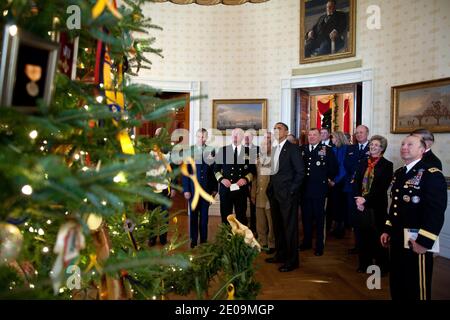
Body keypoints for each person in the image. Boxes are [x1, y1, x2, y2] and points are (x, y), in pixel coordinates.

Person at [380, 134, 446, 300]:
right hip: (397, 238)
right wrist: (388, 229)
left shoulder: (431, 174)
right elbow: (394, 206)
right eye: (403, 144)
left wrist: (424, 242)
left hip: (417, 240)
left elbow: (435, 212)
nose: (404, 147)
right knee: (398, 282)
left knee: (417, 287)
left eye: (410, 144)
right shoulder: (400, 173)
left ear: (422, 150)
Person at [266, 122, 304, 272]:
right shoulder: (274, 149)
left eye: (279, 128)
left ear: (287, 132)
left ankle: (292, 261)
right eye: (274, 128)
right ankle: (280, 254)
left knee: (289, 228)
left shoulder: (293, 148)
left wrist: (291, 191)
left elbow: (300, 172)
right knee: (278, 227)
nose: (276, 130)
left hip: (287, 196)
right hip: (274, 194)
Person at [354, 135, 393, 274]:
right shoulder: (363, 162)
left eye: (376, 145)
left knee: (378, 236)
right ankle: (364, 264)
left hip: (377, 206)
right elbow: (356, 181)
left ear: (382, 149)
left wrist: (366, 200)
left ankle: (382, 266)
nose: (373, 147)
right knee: (363, 236)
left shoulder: (387, 165)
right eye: (371, 144)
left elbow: (381, 187)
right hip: (361, 205)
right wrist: (358, 199)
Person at [299, 128, 338, 256]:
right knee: (306, 218)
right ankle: (307, 242)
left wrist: (326, 178)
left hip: (319, 191)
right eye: (309, 135)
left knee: (320, 219)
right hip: (304, 190)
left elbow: (334, 168)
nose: (311, 137)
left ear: (320, 137)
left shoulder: (326, 150)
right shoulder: (302, 150)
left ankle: (319, 245)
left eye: (314, 135)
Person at [182, 128, 218, 248]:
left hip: (206, 190)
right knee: (193, 217)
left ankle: (203, 240)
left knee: (204, 218)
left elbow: (214, 171)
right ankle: (193, 240)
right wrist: (186, 189)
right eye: (199, 136)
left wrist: (214, 189)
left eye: (203, 137)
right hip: (193, 191)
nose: (201, 139)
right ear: (196, 137)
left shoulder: (211, 150)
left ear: (206, 138)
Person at [214, 128, 256, 225]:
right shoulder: (223, 150)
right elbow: (216, 169)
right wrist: (222, 179)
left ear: (242, 137)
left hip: (241, 190)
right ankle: (227, 239)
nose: (235, 136)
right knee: (226, 217)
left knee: (241, 217)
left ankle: (240, 239)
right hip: (226, 189)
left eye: (237, 135)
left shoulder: (248, 151)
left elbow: (252, 171)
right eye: (233, 135)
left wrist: (245, 179)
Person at [145, 127, 176, 246]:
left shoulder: (170, 151)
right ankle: (151, 238)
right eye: (157, 134)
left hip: (165, 188)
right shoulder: (149, 150)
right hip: (151, 187)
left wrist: (173, 187)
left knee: (164, 214)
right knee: (151, 214)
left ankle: (163, 238)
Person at [344, 125, 370, 254]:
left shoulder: (373, 147)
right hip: (352, 188)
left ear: (367, 134)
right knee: (354, 218)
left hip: (366, 189)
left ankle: (366, 246)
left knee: (365, 218)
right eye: (357, 133)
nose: (359, 134)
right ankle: (357, 245)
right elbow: (346, 165)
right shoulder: (350, 148)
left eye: (361, 132)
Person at [251, 132, 275, 254]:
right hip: (259, 195)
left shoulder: (276, 158)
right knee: (260, 222)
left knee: (271, 222)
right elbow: (255, 178)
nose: (265, 146)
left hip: (270, 196)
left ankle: (272, 244)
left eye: (267, 144)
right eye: (263, 144)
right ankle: (262, 242)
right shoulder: (258, 159)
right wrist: (253, 193)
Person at [328, 131, 349, 238]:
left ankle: (340, 229)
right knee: (335, 206)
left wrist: (335, 181)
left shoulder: (344, 149)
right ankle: (336, 227)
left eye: (333, 137)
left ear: (338, 138)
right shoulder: (333, 148)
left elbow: (343, 167)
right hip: (334, 181)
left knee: (340, 206)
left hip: (341, 182)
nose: (332, 139)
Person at [243, 130, 260, 234]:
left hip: (255, 181)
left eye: (248, 137)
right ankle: (244, 227)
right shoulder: (240, 150)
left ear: (253, 138)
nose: (246, 139)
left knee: (254, 206)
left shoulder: (258, 149)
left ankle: (254, 228)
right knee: (242, 206)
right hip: (243, 182)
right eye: (245, 137)